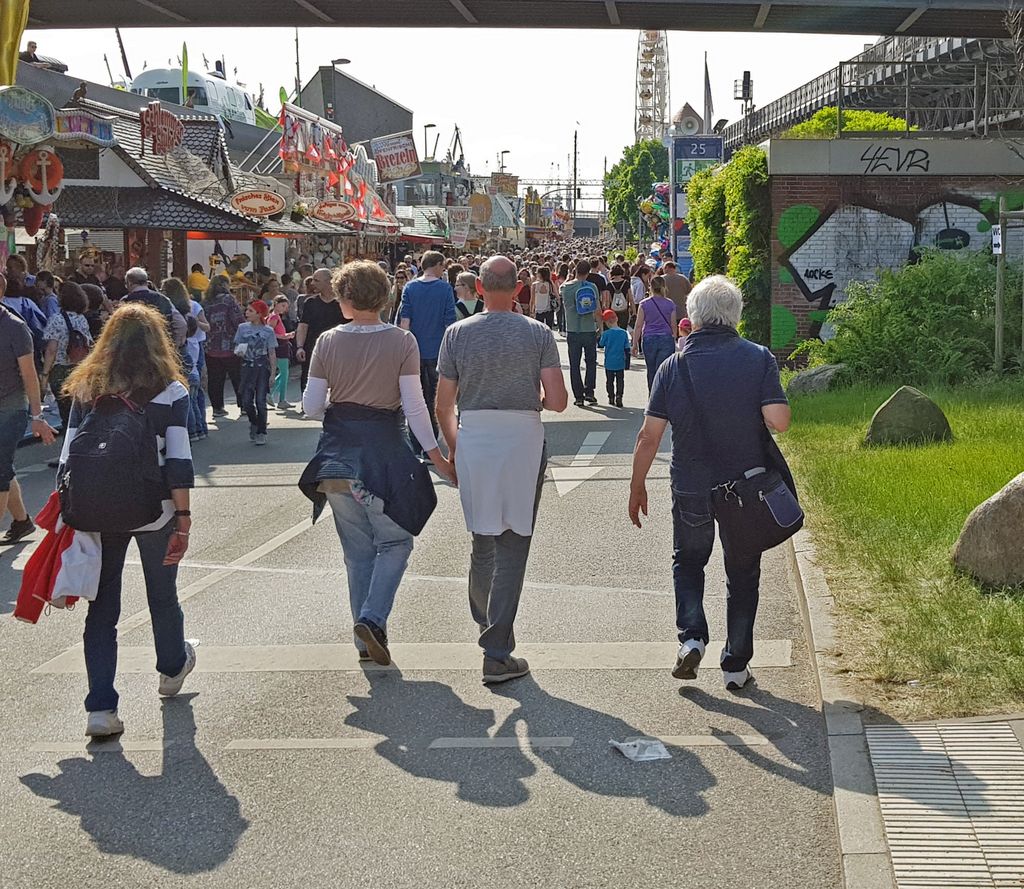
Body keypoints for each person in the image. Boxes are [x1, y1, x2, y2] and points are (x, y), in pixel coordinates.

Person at [628, 276, 792, 692]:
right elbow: (780, 421)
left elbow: (649, 436)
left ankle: (692, 637)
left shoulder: (674, 365)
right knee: (742, 573)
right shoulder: (758, 358)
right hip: (745, 489)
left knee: (688, 561)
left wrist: (637, 485)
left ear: (692, 316)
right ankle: (736, 666)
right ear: (735, 315)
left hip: (690, 484)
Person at [300, 261, 454, 665]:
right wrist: (436, 457)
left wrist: (342, 404)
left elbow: (312, 406)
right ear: (385, 297)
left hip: (335, 458)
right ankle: (372, 619)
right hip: (383, 455)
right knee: (396, 541)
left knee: (357, 552)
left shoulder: (328, 342)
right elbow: (416, 408)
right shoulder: (402, 342)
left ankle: (364, 639)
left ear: (344, 298)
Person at [59, 303, 196, 737]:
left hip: (96, 510)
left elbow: (67, 458)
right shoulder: (170, 391)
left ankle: (101, 706)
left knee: (102, 609)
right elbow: (178, 461)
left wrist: (67, 517)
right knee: (162, 594)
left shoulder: (86, 386)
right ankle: (172, 666)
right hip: (154, 509)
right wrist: (184, 518)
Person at [435, 256, 568, 684]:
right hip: (522, 437)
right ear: (518, 288)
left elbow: (443, 404)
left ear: (477, 288)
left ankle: (487, 621)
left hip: (474, 433)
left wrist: (455, 446)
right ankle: (496, 650)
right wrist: (539, 402)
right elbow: (559, 400)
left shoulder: (457, 333)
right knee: (514, 539)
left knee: (482, 536)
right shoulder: (537, 333)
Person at [0, 299, 56, 544]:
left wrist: (37, 416)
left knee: (0, 470)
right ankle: (22, 522)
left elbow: (29, 374)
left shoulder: (15, 327)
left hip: (10, 408)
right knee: (3, 467)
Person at [398, 251, 456, 457]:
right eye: (443, 266)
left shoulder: (410, 287)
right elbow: (450, 322)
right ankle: (431, 438)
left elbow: (405, 321)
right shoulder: (444, 288)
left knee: (415, 399)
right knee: (435, 398)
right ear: (438, 265)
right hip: (438, 351)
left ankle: (417, 443)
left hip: (414, 351)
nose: (444, 270)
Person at [40, 281, 93, 434]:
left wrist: (45, 374)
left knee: (65, 414)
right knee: (79, 412)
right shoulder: (82, 319)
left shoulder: (56, 319)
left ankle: (67, 448)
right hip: (79, 369)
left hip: (60, 370)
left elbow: (51, 350)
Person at [233, 300, 278, 446]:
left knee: (260, 400)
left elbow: (271, 352)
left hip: (262, 367)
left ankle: (261, 431)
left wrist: (272, 373)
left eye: (251, 311)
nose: (247, 313)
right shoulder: (242, 328)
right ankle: (254, 422)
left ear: (259, 314)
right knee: (246, 400)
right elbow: (237, 346)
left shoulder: (268, 331)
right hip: (247, 366)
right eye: (247, 310)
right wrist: (239, 351)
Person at [296, 268, 343, 396]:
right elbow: (303, 325)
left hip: (337, 348)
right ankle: (307, 404)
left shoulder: (342, 302)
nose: (312, 284)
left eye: (316, 280)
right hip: (313, 347)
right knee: (308, 375)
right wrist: (300, 347)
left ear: (329, 282)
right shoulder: (310, 302)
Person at [202, 275, 244, 417]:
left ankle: (217, 407)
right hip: (229, 345)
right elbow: (237, 320)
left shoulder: (206, 302)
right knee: (237, 377)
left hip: (211, 346)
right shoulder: (228, 300)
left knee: (215, 379)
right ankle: (244, 405)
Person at [559, 260, 599, 407]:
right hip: (588, 328)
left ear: (575, 270)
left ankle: (578, 396)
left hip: (572, 328)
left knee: (574, 364)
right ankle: (590, 392)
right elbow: (597, 310)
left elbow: (563, 303)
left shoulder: (565, 287)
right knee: (590, 362)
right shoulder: (592, 287)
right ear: (588, 272)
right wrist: (599, 326)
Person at [632, 275, 677, 392]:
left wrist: (634, 344)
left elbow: (638, 325)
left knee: (651, 370)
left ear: (650, 287)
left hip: (649, 338)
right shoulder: (670, 303)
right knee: (664, 370)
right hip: (666, 338)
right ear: (664, 287)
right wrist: (674, 338)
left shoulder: (644, 304)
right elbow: (673, 324)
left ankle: (652, 397)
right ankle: (664, 397)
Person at [122, 268, 186, 347]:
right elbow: (181, 324)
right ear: (146, 282)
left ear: (129, 283)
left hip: (132, 349)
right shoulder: (163, 299)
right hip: (158, 348)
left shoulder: (125, 301)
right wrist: (173, 346)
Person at [598, 309, 629, 408]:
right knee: (620, 380)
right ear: (616, 318)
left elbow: (601, 344)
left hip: (609, 362)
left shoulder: (606, 334)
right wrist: (627, 362)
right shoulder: (624, 333)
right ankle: (619, 396)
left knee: (609, 381)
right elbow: (627, 348)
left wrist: (600, 334)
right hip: (620, 361)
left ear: (606, 323)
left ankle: (611, 396)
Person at [269, 296, 295, 409]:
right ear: (276, 304)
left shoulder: (276, 316)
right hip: (279, 347)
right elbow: (270, 333)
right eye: (282, 305)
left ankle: (272, 394)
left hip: (281, 346)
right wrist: (285, 336)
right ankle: (279, 398)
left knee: (284, 373)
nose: (284, 308)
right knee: (284, 373)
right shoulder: (274, 317)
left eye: (286, 307)